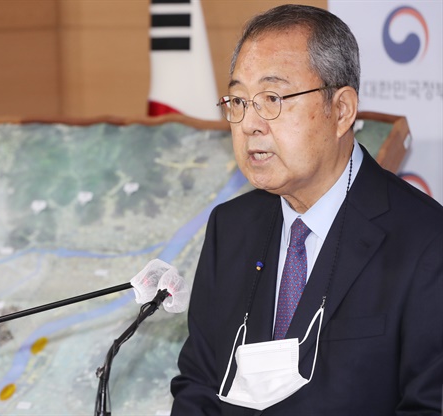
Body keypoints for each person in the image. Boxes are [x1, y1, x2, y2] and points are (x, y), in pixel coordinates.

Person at [170, 4, 443, 415]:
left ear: (342, 111)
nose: (249, 124)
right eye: (239, 100)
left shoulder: (426, 242)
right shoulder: (230, 229)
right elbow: (199, 386)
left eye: (273, 98)